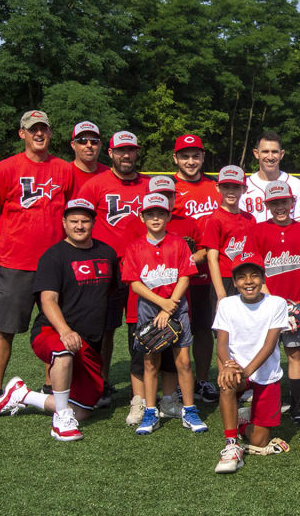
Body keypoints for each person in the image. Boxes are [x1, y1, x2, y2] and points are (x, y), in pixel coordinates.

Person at [0, 199, 116, 442]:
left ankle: (23, 395)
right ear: (64, 223)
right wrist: (65, 330)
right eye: (74, 221)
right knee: (64, 351)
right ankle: (61, 422)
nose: (79, 225)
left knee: (84, 411)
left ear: (93, 222)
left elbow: (108, 293)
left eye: (85, 220)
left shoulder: (106, 252)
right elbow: (48, 300)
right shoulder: (53, 255)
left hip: (89, 342)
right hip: (52, 331)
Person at [0, 110, 74, 410]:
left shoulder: (64, 169)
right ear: (21, 133)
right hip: (17, 262)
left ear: (50, 133)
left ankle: (50, 384)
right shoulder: (6, 167)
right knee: (5, 327)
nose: (39, 134)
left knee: (53, 327)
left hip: (54, 265)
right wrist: (12, 237)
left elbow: (73, 211)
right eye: (32, 129)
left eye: (44, 129)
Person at [77, 130, 150, 415]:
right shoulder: (96, 185)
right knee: (102, 329)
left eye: (131, 150)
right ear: (111, 153)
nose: (126, 155)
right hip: (106, 268)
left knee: (141, 330)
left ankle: (143, 389)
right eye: (121, 151)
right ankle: (100, 383)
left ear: (136, 152)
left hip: (143, 270)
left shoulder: (148, 185)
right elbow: (79, 223)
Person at [121, 193, 205, 435]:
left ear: (168, 215)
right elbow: (134, 283)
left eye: (160, 213)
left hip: (177, 307)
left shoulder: (178, 243)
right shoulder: (135, 247)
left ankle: (189, 410)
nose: (155, 218)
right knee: (150, 363)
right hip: (149, 308)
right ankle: (150, 411)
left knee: (184, 362)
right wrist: (162, 304)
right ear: (142, 217)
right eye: (150, 214)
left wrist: (170, 304)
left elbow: (185, 276)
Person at [213, 250, 290, 473]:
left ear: (263, 278)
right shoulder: (227, 304)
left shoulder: (276, 303)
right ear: (235, 282)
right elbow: (221, 343)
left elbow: (270, 344)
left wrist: (246, 371)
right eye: (242, 277)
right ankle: (231, 444)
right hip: (237, 369)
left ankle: (243, 421)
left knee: (259, 441)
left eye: (254, 275)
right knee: (227, 381)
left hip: (264, 372)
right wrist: (228, 365)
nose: (248, 281)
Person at [247, 180, 300, 424]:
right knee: (266, 352)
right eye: (274, 202)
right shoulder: (258, 230)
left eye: (284, 201)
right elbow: (256, 272)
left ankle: (296, 405)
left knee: (295, 353)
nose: (280, 207)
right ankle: (266, 402)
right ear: (267, 205)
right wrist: (273, 301)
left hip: (296, 303)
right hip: (268, 304)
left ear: (292, 202)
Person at [149, 175, 215, 404]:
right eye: (159, 195)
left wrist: (183, 264)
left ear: (175, 197)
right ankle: (172, 386)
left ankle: (203, 380)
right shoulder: (146, 221)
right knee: (164, 337)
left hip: (194, 283)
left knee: (201, 329)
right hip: (159, 291)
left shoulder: (187, 221)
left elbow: (205, 250)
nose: (165, 199)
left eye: (168, 195)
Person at [168, 135, 219, 402]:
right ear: (175, 158)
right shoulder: (170, 187)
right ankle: (175, 382)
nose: (191, 161)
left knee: (203, 328)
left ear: (202, 157)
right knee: (174, 327)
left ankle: (202, 380)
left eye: (196, 155)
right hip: (175, 273)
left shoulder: (215, 186)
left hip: (210, 272)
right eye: (185, 156)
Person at [202, 166, 257, 303]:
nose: (231, 192)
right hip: (225, 279)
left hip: (247, 277)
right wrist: (220, 293)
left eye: (236, 187)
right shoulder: (215, 219)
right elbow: (211, 259)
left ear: (244, 189)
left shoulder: (250, 218)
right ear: (218, 188)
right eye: (226, 187)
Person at [242, 131, 300, 223]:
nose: (270, 157)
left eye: (274, 152)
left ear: (282, 154)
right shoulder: (243, 186)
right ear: (256, 153)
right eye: (265, 151)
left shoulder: (296, 185)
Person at [69, 121, 108, 194]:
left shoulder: (109, 175)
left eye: (94, 141)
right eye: (82, 141)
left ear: (100, 145)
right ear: (73, 145)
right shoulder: (64, 173)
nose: (89, 145)